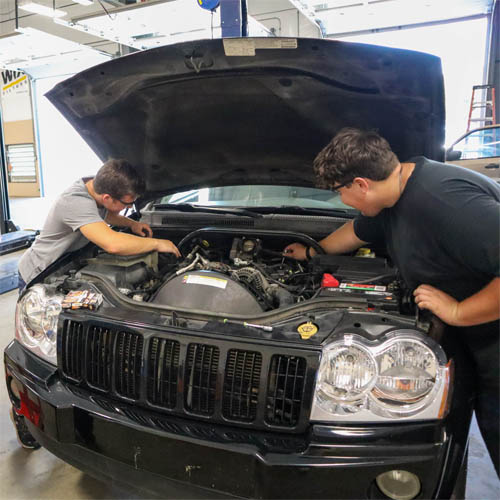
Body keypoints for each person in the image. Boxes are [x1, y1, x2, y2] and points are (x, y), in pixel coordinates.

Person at [284, 128, 500, 475]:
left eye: (341, 192)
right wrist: (313, 252)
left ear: (361, 184)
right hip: (474, 337)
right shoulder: (396, 192)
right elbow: (357, 232)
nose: (343, 200)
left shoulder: (444, 202)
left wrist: (459, 311)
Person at [18, 158, 181, 291]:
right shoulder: (75, 202)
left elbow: (104, 213)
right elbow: (113, 244)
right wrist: (157, 243)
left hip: (67, 262)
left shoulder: (97, 185)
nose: (129, 207)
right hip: (41, 272)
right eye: (127, 204)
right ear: (107, 198)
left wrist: (131, 224)